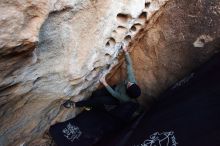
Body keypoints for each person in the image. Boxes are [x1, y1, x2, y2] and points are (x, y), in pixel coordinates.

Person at [63, 46, 141, 117]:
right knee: (96, 94)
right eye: (131, 83)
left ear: (128, 90)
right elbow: (129, 65)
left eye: (129, 85)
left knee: (99, 100)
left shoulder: (125, 98)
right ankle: (90, 104)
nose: (129, 83)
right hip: (115, 88)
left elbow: (114, 94)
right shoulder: (132, 80)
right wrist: (126, 52)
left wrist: (104, 83)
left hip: (115, 99)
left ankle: (75, 104)